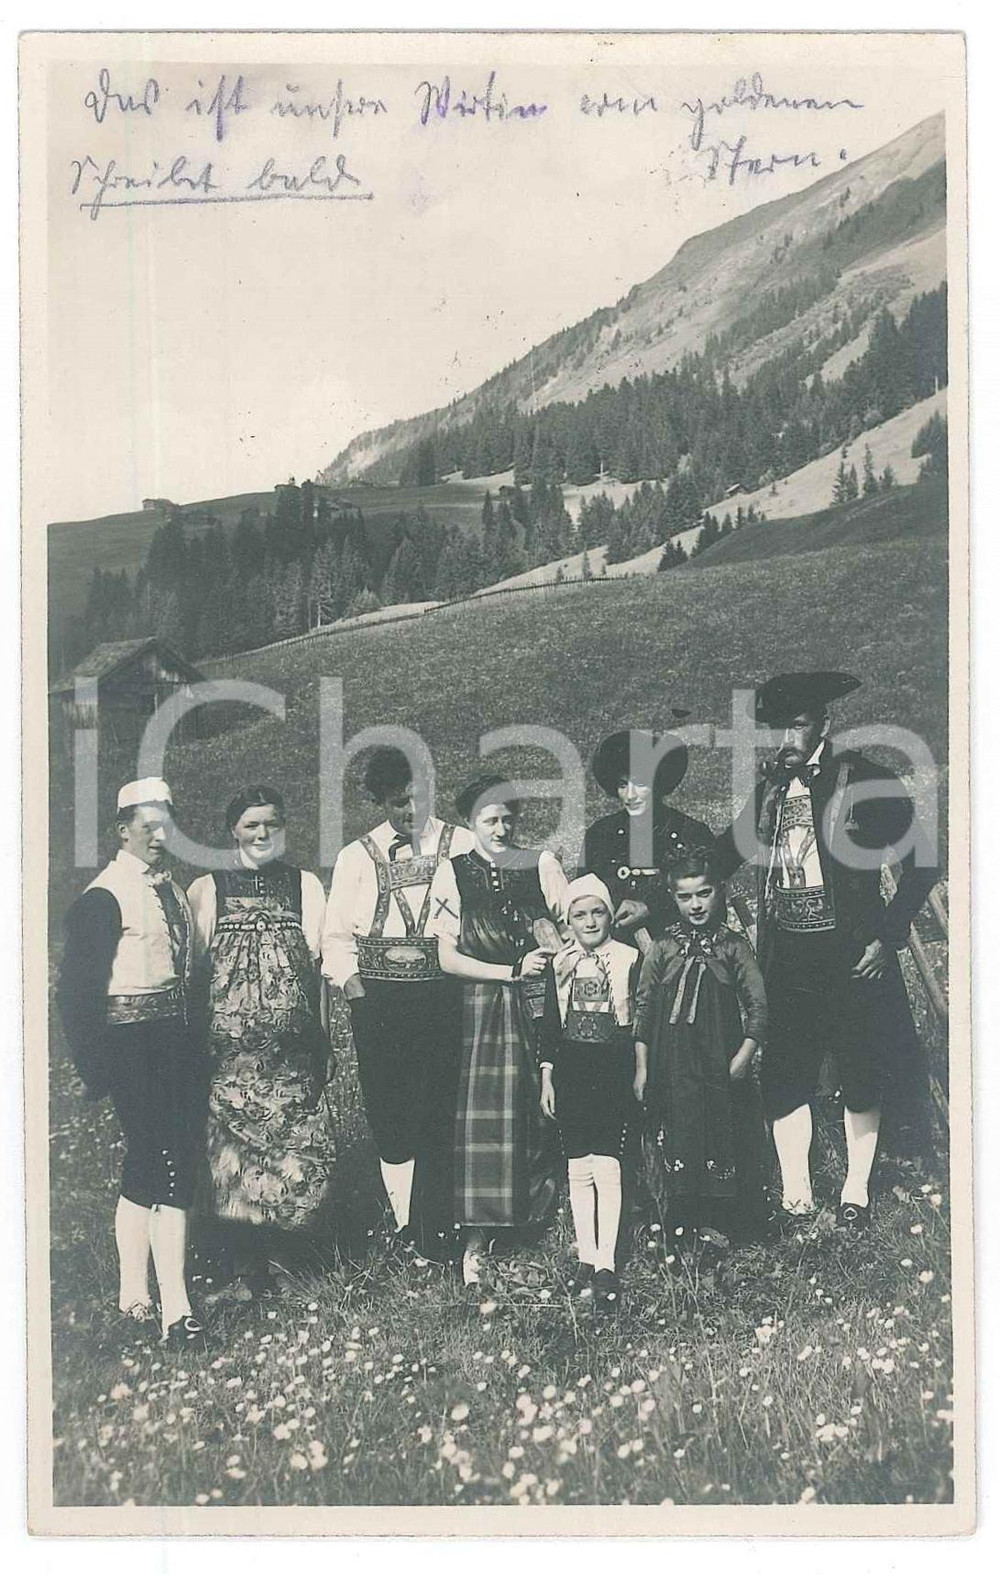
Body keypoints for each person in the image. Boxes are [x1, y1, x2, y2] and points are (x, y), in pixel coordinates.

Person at [714, 671, 940, 1228]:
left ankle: (856, 1191)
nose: (787, 740)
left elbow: (923, 863)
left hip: (851, 955)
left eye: (798, 726)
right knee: (787, 1069)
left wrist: (887, 938)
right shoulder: (768, 790)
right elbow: (726, 854)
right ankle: (797, 1195)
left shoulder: (866, 779)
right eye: (778, 730)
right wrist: (653, 892)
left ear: (823, 724)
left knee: (862, 1065)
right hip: (788, 955)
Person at [56, 778, 204, 1348]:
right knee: (166, 1160)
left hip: (173, 1038)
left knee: (151, 1161)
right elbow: (75, 992)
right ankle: (177, 1310)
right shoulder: (106, 894)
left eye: (166, 826)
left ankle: (132, 1293)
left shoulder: (170, 886)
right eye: (148, 828)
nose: (159, 837)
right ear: (123, 831)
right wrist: (99, 1069)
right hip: (130, 1044)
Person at [322, 748, 474, 1255]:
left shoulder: (463, 844)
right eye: (397, 802)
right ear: (380, 801)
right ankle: (408, 1224)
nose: (411, 811)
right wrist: (357, 993)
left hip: (445, 994)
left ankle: (443, 1225)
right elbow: (336, 938)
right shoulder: (355, 857)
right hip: (381, 1000)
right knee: (390, 1111)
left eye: (418, 798)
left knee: (443, 1106)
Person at [187, 787, 332, 1292]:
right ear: (234, 830)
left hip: (291, 1058)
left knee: (295, 1154)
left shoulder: (305, 886)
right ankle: (245, 1267)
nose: (263, 833)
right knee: (232, 1162)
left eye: (272, 822)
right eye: (252, 825)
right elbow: (194, 971)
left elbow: (322, 965)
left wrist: (324, 1039)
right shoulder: (207, 889)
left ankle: (286, 1260)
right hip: (229, 1061)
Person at [427, 774, 569, 1287]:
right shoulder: (454, 873)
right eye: (490, 820)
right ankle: (478, 1244)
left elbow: (571, 926)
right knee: (485, 1121)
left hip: (542, 1003)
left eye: (508, 818)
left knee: (540, 1110)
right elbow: (445, 956)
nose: (502, 828)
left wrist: (551, 953)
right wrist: (508, 972)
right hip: (483, 1005)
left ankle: (540, 1229)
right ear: (471, 824)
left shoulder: (541, 864)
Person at [633, 848, 769, 1254]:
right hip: (671, 1062)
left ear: (719, 892)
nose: (695, 905)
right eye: (685, 897)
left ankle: (724, 1222)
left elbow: (759, 1007)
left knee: (721, 1131)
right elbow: (643, 1008)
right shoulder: (662, 947)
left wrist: (743, 1056)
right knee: (678, 1131)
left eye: (703, 894)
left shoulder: (733, 947)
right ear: (673, 898)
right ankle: (679, 1222)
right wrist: (642, 1068)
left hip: (719, 1059)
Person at [538, 875, 641, 1311]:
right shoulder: (561, 965)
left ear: (610, 915)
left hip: (613, 1067)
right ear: (568, 922)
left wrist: (639, 1069)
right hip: (573, 1069)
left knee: (609, 1162)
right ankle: (586, 1253)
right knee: (578, 1163)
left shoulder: (629, 959)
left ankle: (607, 1263)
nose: (590, 921)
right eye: (580, 915)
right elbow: (548, 1026)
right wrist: (547, 1076)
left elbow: (639, 1019)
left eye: (598, 911)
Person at [580, 728, 715, 950]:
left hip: (678, 949)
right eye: (623, 785)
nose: (630, 795)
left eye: (640, 783)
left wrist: (650, 906)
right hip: (614, 949)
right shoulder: (600, 834)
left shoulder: (690, 832)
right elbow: (584, 895)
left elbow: (709, 902)